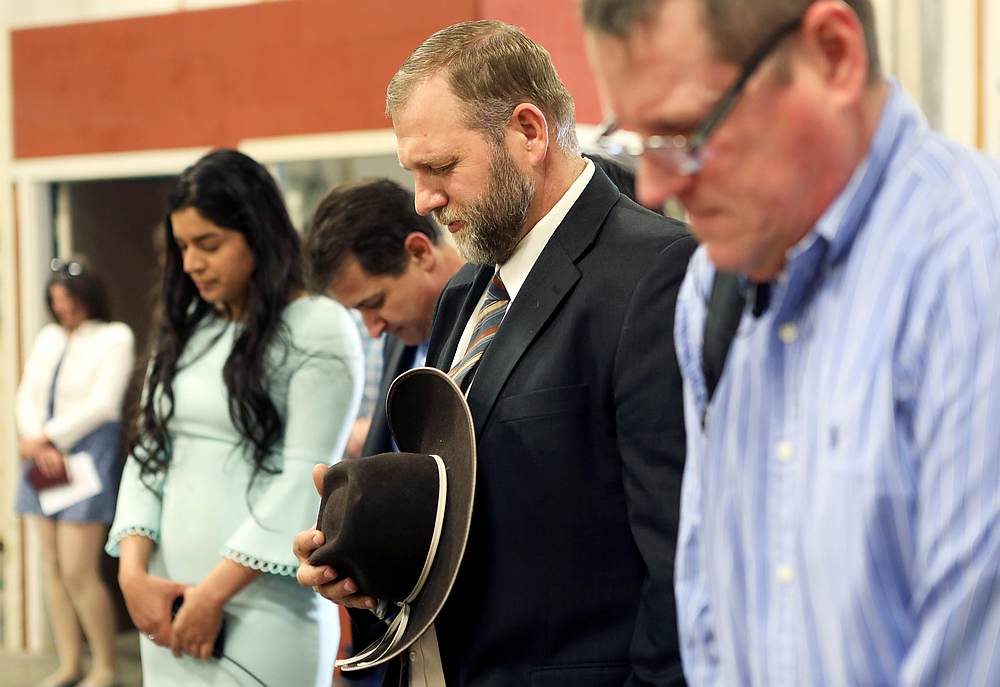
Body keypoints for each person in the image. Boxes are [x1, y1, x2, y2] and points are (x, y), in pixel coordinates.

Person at [584, 0, 1000, 684]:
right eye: (637, 144)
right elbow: (708, 613)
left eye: (687, 130)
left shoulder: (969, 277)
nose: (655, 186)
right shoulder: (712, 295)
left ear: (833, 55)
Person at [296, 20, 695, 685]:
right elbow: (474, 522)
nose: (423, 199)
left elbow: (683, 568)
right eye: (414, 173)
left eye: (442, 167)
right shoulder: (463, 295)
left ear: (529, 132)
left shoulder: (656, 274)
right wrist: (373, 562)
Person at [106, 148, 364, 686]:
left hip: (263, 611)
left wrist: (212, 595)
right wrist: (132, 575)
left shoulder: (318, 325)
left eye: (209, 244)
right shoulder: (187, 331)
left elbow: (304, 477)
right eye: (182, 247)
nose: (191, 263)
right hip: (168, 602)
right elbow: (149, 453)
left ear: (258, 236)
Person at [15, 258, 135, 687]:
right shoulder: (49, 338)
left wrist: (49, 437)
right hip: (42, 459)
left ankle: (105, 666)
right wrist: (34, 438)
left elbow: (104, 404)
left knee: (78, 570)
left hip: (84, 457)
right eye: (56, 301)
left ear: (89, 296)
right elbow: (27, 393)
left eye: (70, 299)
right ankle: (69, 663)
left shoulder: (114, 337)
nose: (64, 308)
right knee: (51, 566)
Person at [304, 178, 465, 457]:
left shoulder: (497, 326)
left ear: (419, 253)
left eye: (374, 303)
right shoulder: (404, 337)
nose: (374, 330)